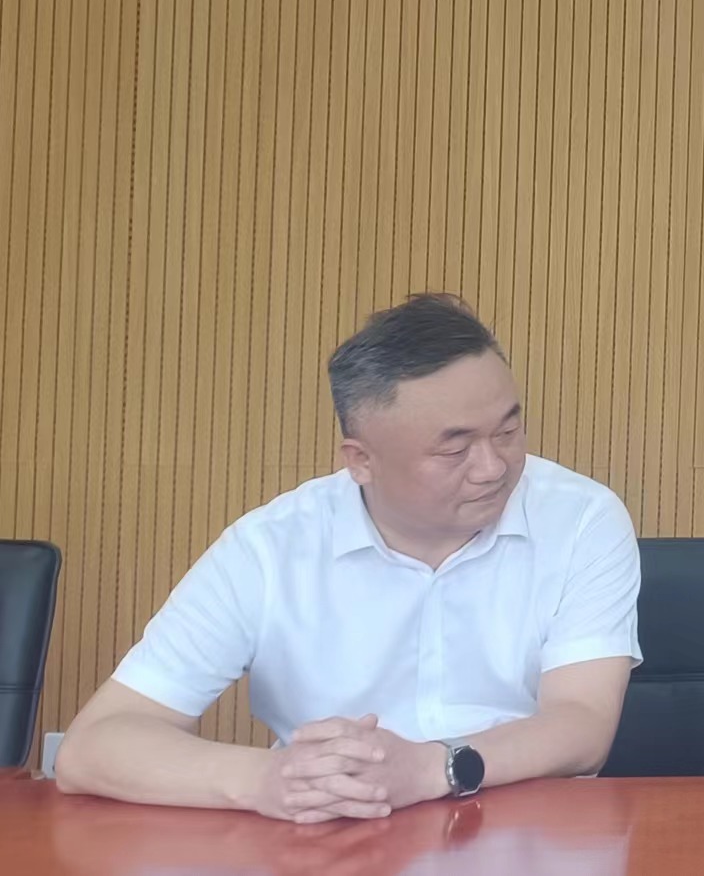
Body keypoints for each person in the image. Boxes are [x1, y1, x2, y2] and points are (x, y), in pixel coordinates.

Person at [54, 293, 643, 822]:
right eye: (455, 448)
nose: (493, 468)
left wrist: (434, 767)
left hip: (525, 832)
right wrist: (267, 779)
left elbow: (581, 724)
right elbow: (93, 747)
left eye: (508, 433)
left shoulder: (581, 518)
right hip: (333, 837)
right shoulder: (271, 548)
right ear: (360, 461)